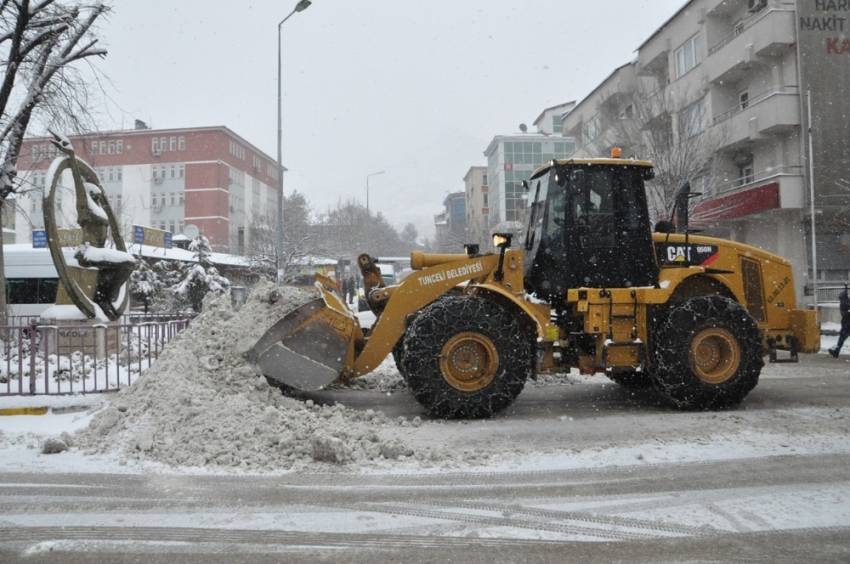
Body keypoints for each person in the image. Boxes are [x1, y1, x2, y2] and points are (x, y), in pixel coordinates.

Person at [829, 287, 850, 358]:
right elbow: (846, 312)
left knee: (842, 338)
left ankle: (836, 351)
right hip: (847, 323)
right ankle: (836, 351)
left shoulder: (845, 303)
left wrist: (846, 289)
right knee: (842, 338)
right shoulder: (845, 304)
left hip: (847, 324)